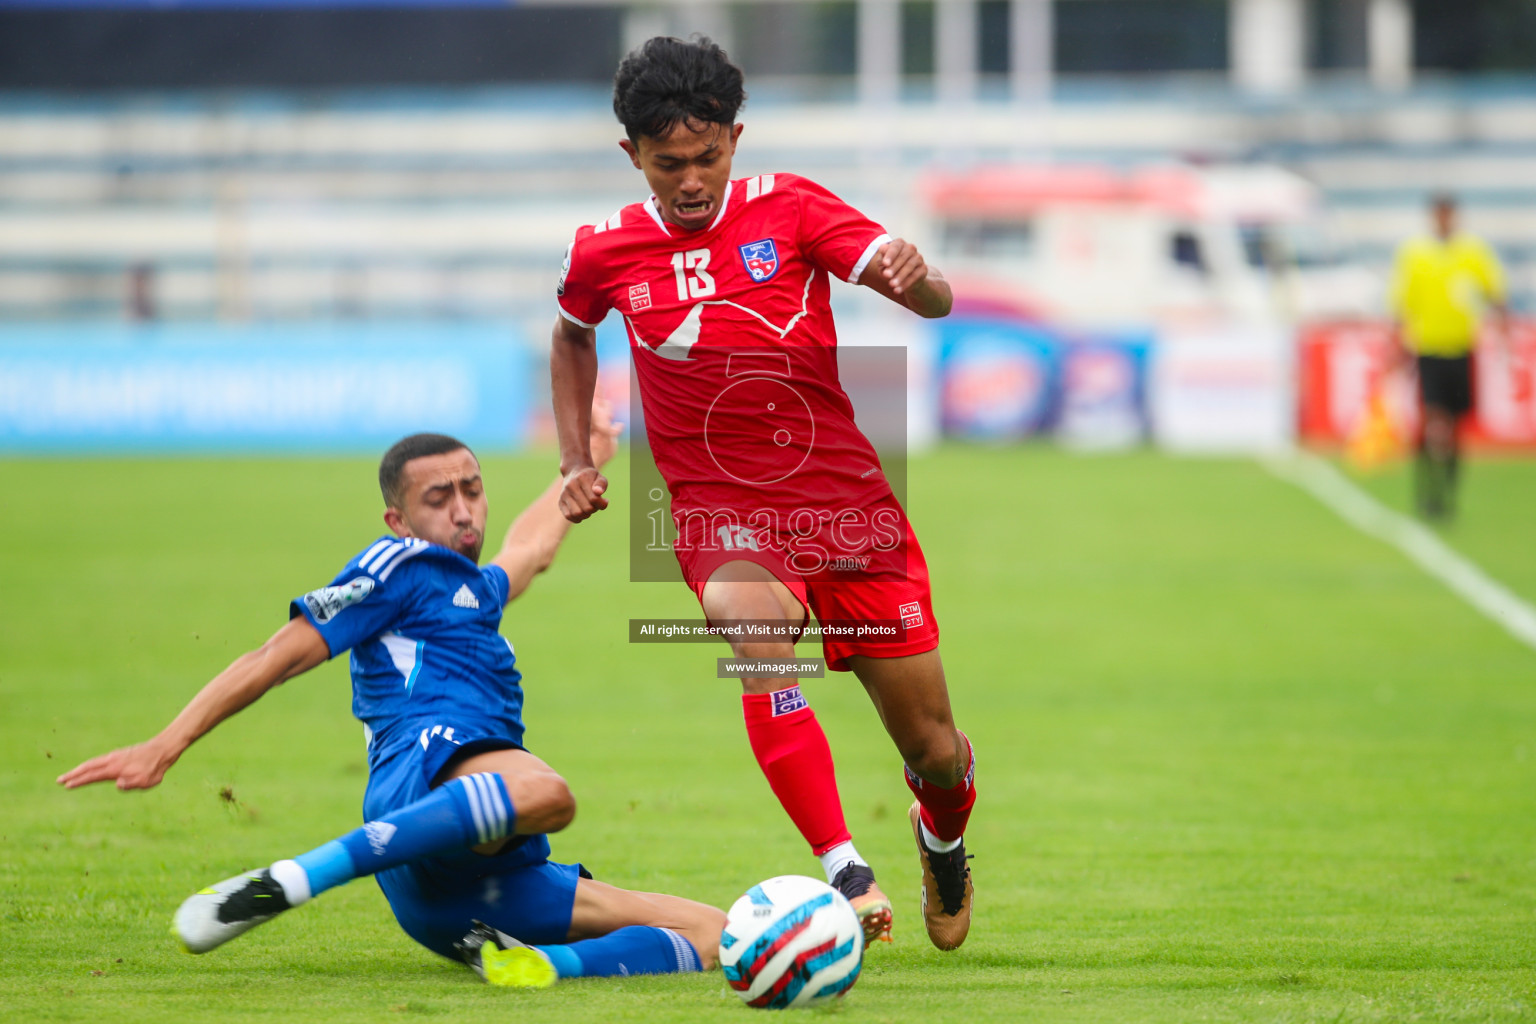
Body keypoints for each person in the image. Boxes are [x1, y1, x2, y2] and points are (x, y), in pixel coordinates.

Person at [57, 402, 727, 989]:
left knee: (716, 934)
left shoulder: (471, 589)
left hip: (464, 901)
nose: (463, 509)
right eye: (439, 498)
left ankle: (538, 966)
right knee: (546, 793)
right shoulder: (395, 566)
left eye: (472, 489)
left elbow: (531, 549)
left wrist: (586, 461)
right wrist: (164, 746)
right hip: (420, 779)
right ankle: (296, 878)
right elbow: (274, 656)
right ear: (397, 518)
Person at [550, 36, 976, 951]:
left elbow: (931, 299)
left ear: (735, 140)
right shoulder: (605, 252)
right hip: (715, 508)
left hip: (847, 509)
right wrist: (574, 455)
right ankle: (844, 870)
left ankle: (941, 836)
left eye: (708, 157)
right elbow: (573, 335)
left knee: (935, 750)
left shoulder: (791, 210)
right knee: (755, 628)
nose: (693, 180)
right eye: (671, 164)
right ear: (633, 156)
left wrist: (922, 278)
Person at [1389, 192, 1508, 521]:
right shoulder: (1415, 254)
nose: (1443, 219)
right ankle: (1427, 491)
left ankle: (1448, 493)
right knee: (1432, 419)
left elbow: (1495, 292)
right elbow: (1403, 304)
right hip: (1427, 348)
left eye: (1448, 214)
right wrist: (1396, 345)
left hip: (1460, 348)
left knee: (1454, 426)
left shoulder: (1473, 252)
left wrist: (1504, 331)